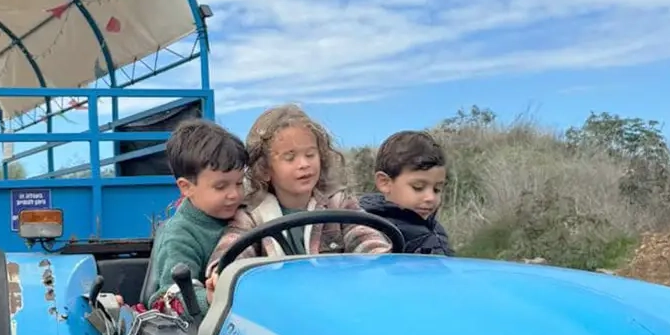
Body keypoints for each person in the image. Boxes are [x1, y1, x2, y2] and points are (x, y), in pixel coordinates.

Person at [206, 104, 392, 287]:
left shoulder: (339, 204)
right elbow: (231, 253)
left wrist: (379, 260)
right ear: (264, 169)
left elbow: (365, 237)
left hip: (336, 300)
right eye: (290, 157)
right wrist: (222, 274)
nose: (304, 164)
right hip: (279, 310)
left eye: (310, 154)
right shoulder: (251, 216)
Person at [145, 118, 248, 314]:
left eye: (239, 183)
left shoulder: (248, 217)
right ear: (186, 187)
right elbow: (171, 295)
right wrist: (207, 298)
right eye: (221, 186)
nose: (234, 194)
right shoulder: (180, 234)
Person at [359, 130, 454, 255]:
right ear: (385, 182)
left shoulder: (434, 227)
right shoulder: (371, 231)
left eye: (437, 189)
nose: (430, 197)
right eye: (418, 187)